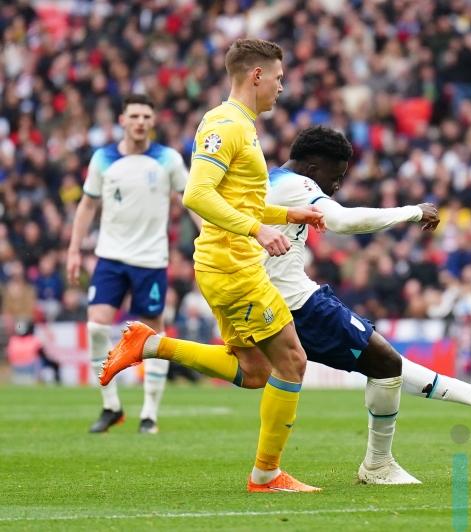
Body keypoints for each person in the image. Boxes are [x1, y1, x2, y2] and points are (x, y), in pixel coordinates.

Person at [99, 39, 326, 493]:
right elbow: (197, 195)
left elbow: (239, 198)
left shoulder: (242, 124)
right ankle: (265, 475)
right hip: (232, 264)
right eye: (278, 77)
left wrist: (285, 215)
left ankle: (152, 345)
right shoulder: (225, 124)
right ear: (256, 75)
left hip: (231, 261)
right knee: (292, 361)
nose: (282, 87)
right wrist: (258, 231)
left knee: (257, 372)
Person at [262, 126, 471, 484]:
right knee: (385, 362)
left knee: (382, 362)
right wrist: (411, 212)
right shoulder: (298, 185)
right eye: (336, 177)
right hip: (299, 304)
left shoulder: (272, 180)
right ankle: (378, 465)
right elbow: (341, 220)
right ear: (312, 168)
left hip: (275, 300)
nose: (337, 186)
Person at [67, 94, 192, 434]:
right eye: (134, 115)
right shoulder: (103, 159)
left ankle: (149, 413)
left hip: (151, 260)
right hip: (110, 257)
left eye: (145, 116)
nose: (139, 121)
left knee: (153, 335)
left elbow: (192, 200)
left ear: (152, 122)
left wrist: (211, 233)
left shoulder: (168, 160)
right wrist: (75, 250)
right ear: (122, 119)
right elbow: (87, 207)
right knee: (95, 327)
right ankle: (111, 406)